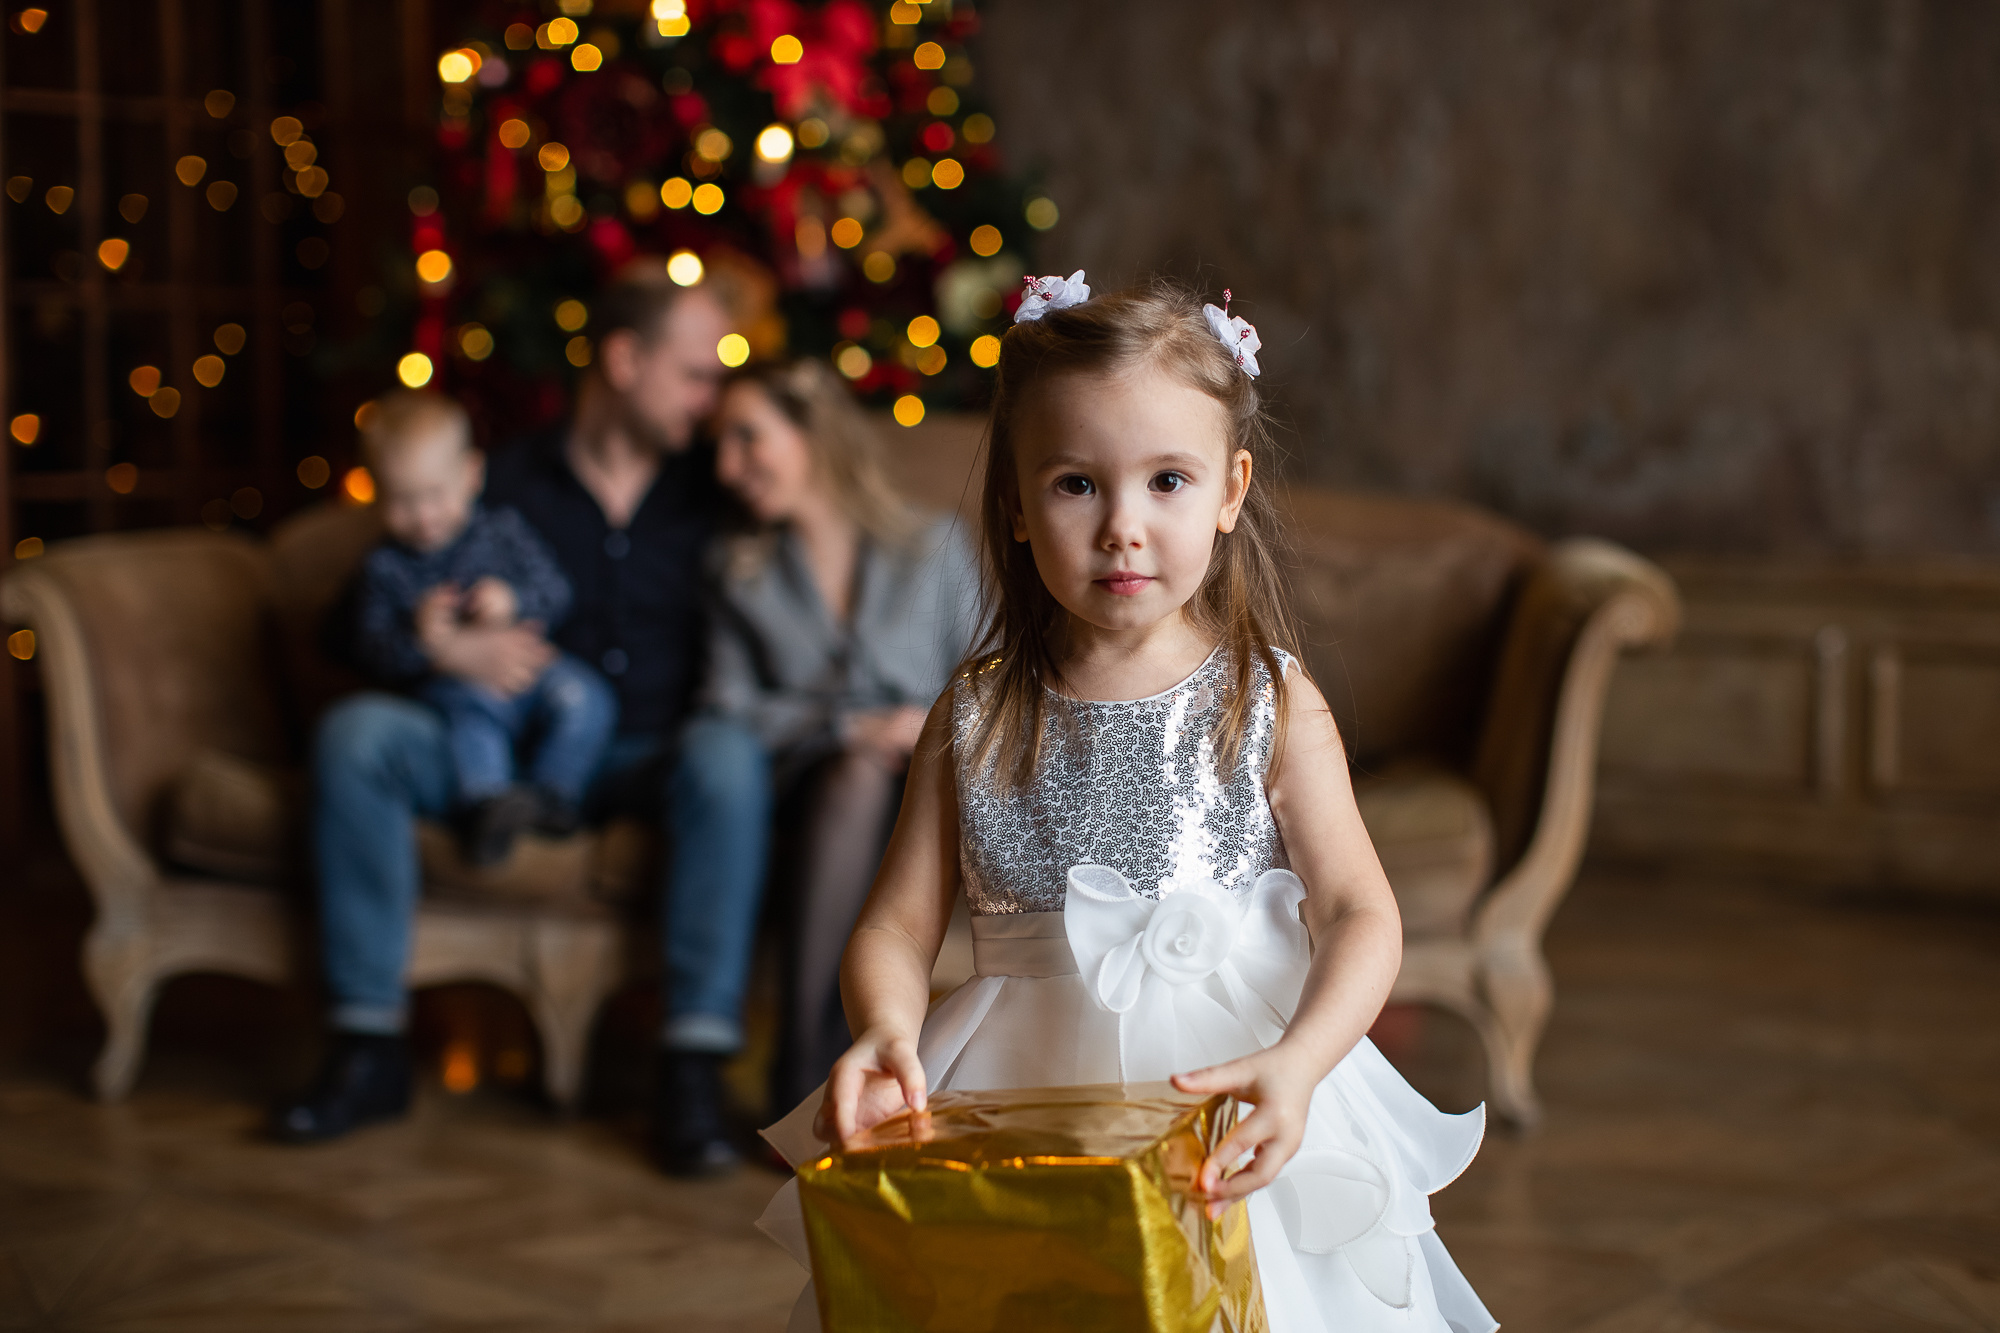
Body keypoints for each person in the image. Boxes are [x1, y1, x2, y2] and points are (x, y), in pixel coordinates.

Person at [758, 276, 1495, 1332]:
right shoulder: (970, 713)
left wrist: (1297, 1064)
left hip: (1232, 1096)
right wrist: (883, 1023)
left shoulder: (1265, 698)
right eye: (1074, 485)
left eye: (1166, 480)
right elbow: (893, 923)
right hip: (1026, 1090)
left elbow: (1360, 915)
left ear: (1229, 490)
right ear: (1013, 502)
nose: (1121, 527)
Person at [276, 268, 764, 1174]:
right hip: (491, 747)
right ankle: (367, 1043)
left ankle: (692, 1066)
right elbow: (347, 622)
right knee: (357, 736)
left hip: (648, 753)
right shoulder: (494, 483)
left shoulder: (716, 490)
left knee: (729, 757)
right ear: (623, 359)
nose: (711, 395)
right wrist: (438, 651)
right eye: (696, 373)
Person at [692, 358, 978, 1116]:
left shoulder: (936, 544)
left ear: (813, 432)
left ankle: (811, 1065)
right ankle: (803, 1060)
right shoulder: (739, 569)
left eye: (748, 438)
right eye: (720, 445)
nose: (727, 467)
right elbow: (725, 707)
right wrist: (848, 726)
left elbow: (995, 672)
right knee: (852, 774)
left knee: (872, 776)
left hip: (931, 780)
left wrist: (928, 724)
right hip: (805, 784)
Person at [348, 391, 616, 866]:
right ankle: (487, 805)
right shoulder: (386, 567)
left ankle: (552, 797)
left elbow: (556, 592)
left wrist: (512, 600)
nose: (424, 518)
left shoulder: (502, 532)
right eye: (403, 502)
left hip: (531, 671)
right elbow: (373, 649)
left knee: (588, 698)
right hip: (457, 690)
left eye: (435, 495)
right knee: (471, 721)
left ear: (472, 475)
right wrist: (423, 639)